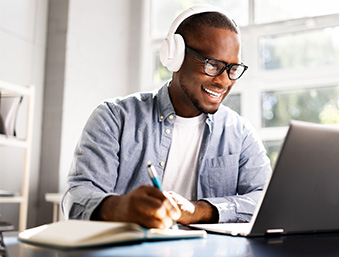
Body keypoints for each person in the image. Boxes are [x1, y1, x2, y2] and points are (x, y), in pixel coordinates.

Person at [62, 6, 272, 229]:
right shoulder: (114, 118)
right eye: (213, 65)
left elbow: (266, 199)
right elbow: (77, 197)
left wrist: (199, 210)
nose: (224, 81)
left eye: (232, 68)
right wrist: (119, 208)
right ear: (176, 57)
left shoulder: (239, 133)